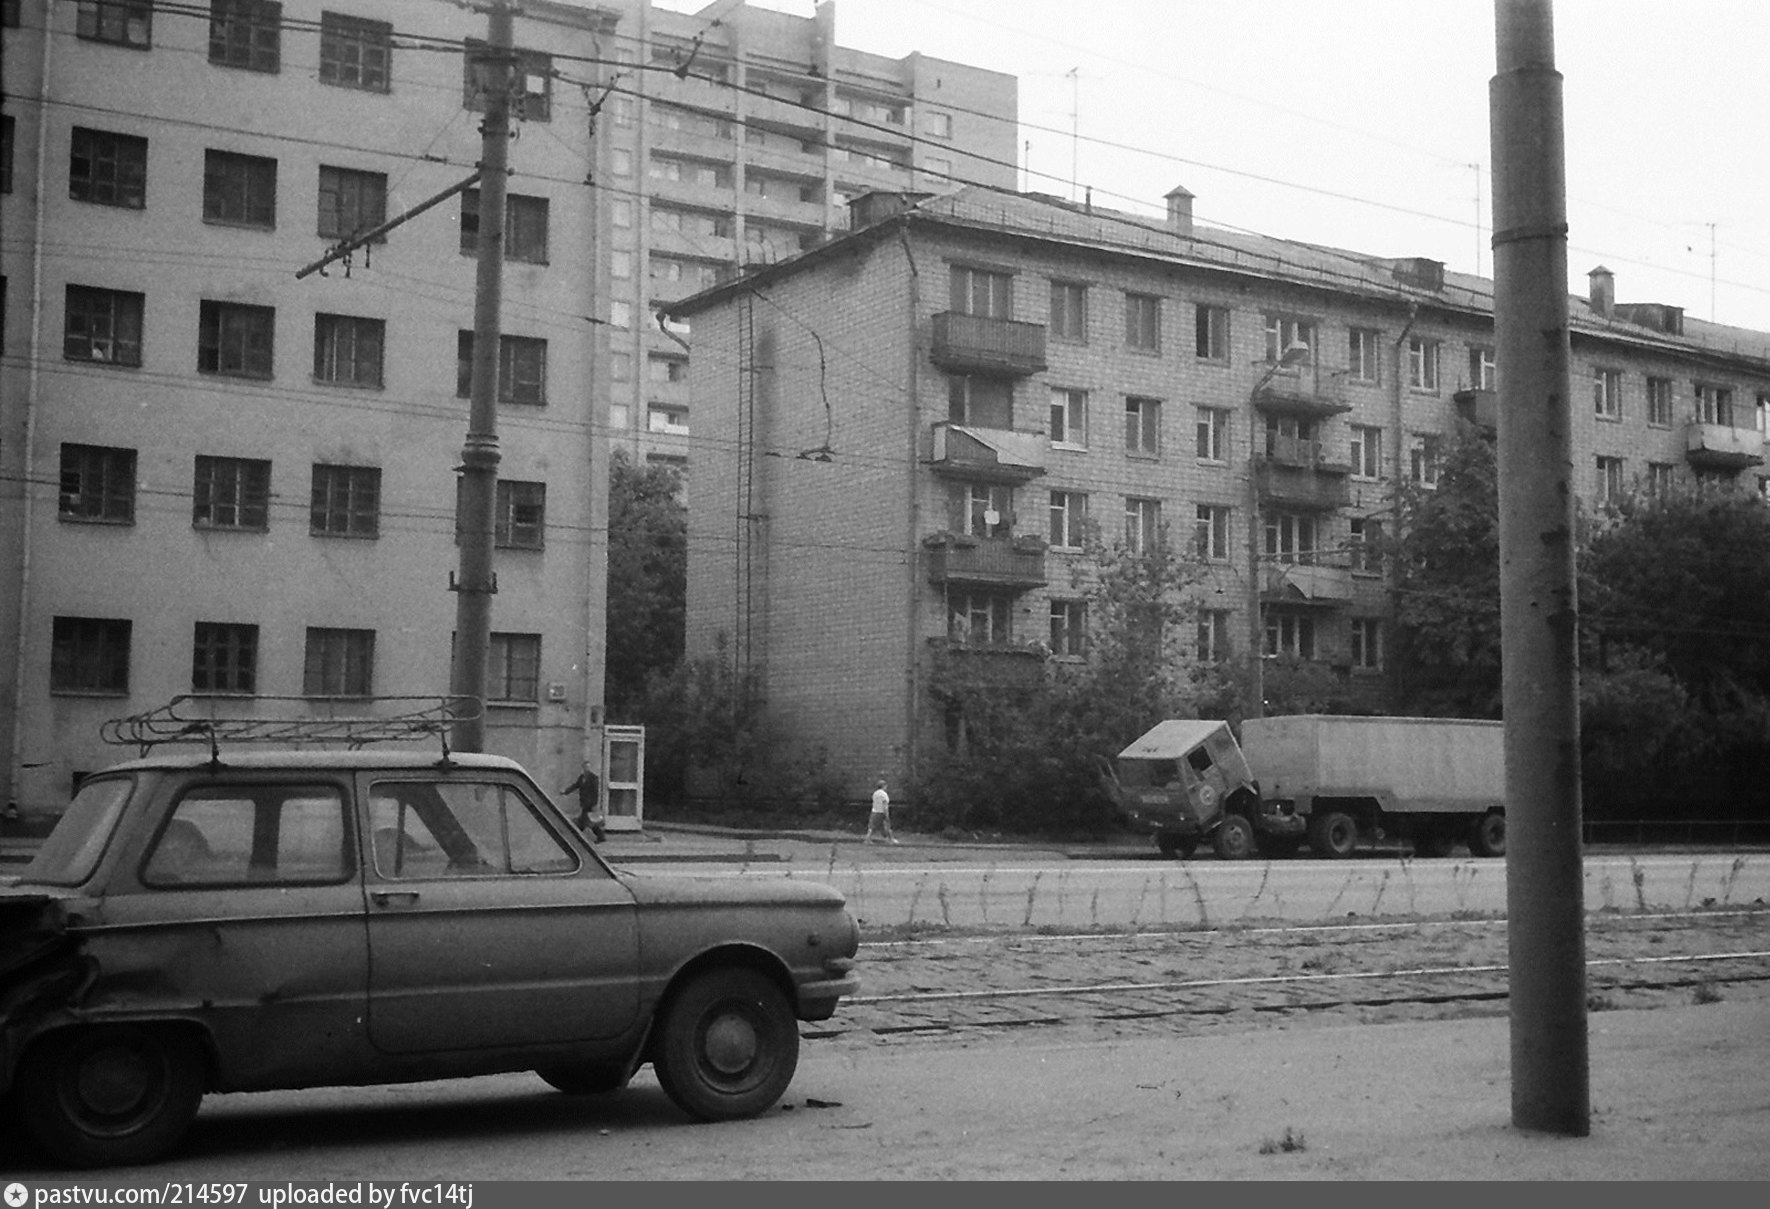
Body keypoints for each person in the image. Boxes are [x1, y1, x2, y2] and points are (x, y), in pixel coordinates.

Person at [561, 764, 606, 842]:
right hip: (584, 803)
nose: (587, 769)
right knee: (587, 821)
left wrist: (594, 804)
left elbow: (595, 792)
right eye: (585, 767)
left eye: (588, 767)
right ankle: (600, 837)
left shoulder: (593, 778)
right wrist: (565, 791)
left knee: (588, 821)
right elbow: (575, 786)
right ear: (583, 768)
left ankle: (576, 836)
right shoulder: (582, 777)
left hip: (590, 804)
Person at [865, 775, 899, 845]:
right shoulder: (884, 794)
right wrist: (887, 814)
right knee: (887, 825)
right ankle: (891, 839)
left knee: (872, 827)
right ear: (883, 786)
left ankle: (868, 839)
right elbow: (885, 805)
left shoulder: (875, 793)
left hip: (874, 811)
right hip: (881, 812)